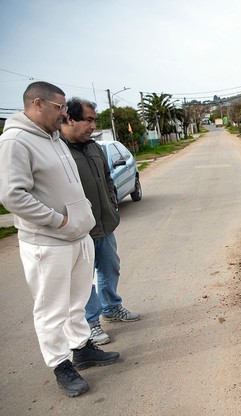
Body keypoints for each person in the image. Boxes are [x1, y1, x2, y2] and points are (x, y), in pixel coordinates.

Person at [0, 82, 119, 398]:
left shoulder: (53, 137)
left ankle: (82, 348)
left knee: (76, 301)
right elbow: (12, 195)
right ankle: (60, 364)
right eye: (59, 107)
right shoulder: (16, 141)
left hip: (77, 236)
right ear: (38, 104)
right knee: (51, 309)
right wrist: (59, 221)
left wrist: (79, 220)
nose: (64, 113)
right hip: (47, 242)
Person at [60, 97, 140, 347]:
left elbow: (107, 178)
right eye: (88, 120)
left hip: (104, 224)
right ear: (70, 119)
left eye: (94, 120)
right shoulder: (58, 151)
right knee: (84, 278)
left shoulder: (94, 148)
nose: (93, 125)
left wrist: (113, 205)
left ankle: (111, 308)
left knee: (110, 268)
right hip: (78, 229)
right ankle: (91, 323)